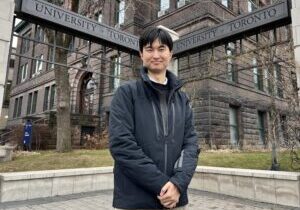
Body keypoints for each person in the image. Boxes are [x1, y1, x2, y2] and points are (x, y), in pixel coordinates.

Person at [109, 27, 200, 209]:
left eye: (162, 49)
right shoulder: (126, 94)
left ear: (171, 54)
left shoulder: (182, 99)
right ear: (141, 54)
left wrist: (177, 184)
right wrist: (162, 186)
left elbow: (191, 144)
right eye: (150, 49)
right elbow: (121, 145)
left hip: (175, 198)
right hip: (136, 200)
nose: (156, 55)